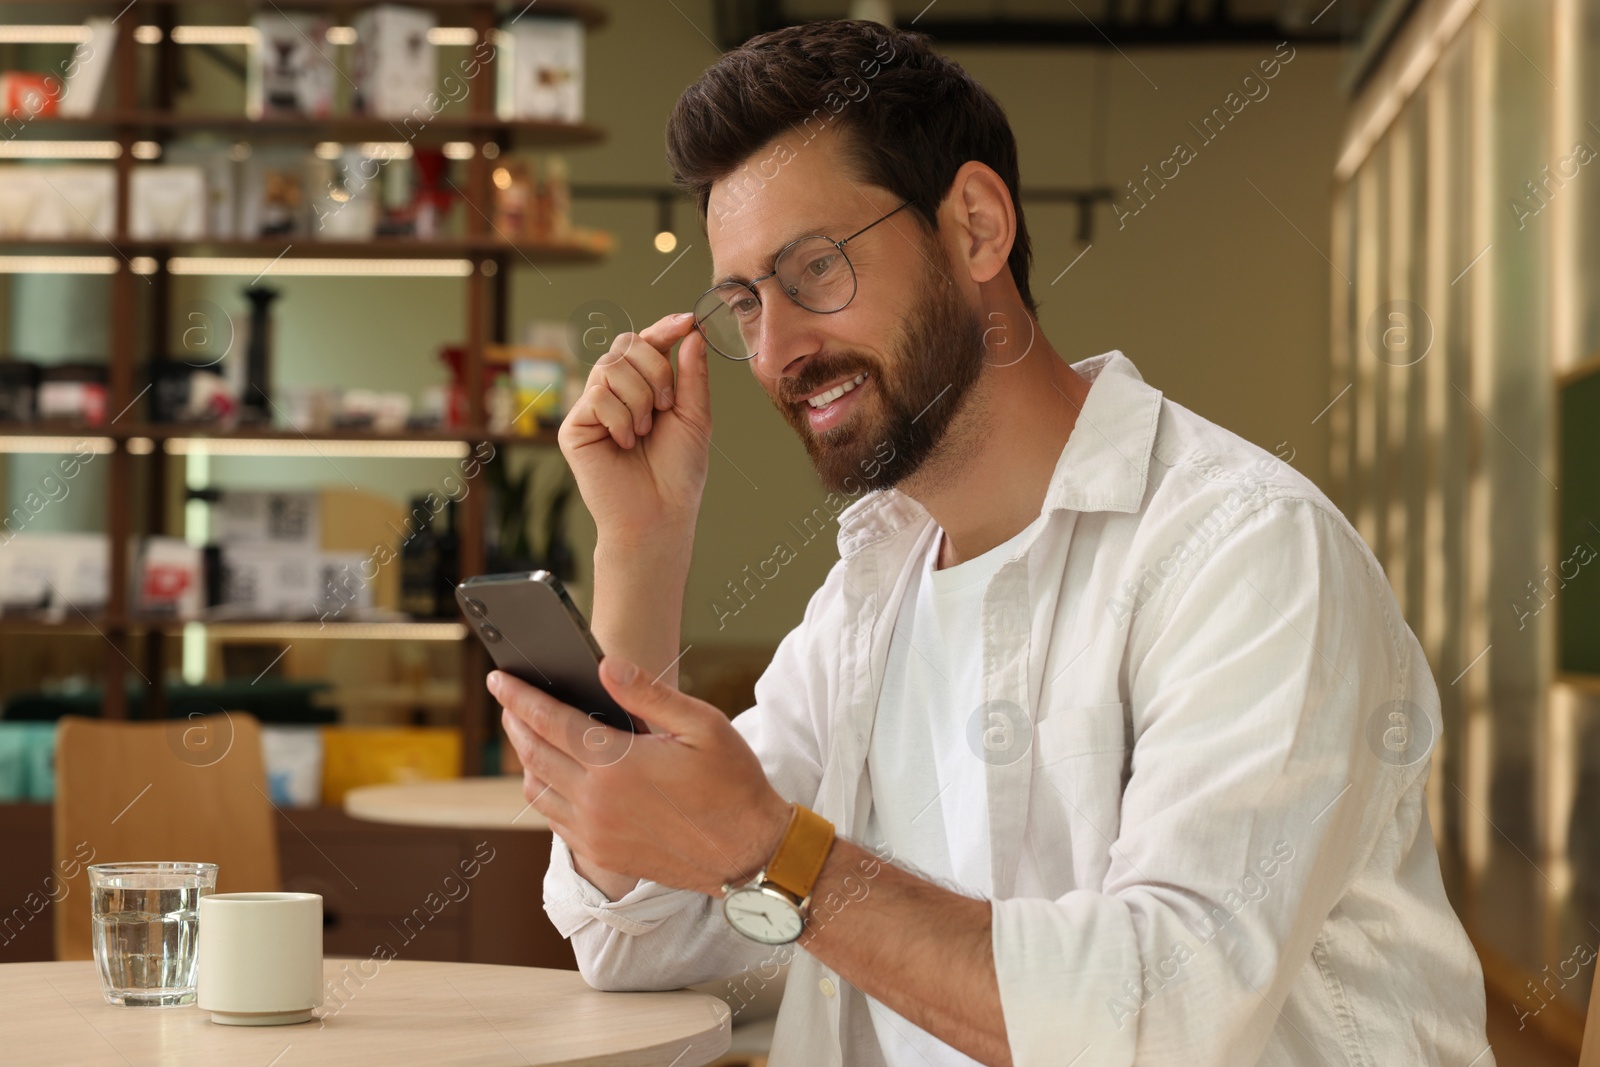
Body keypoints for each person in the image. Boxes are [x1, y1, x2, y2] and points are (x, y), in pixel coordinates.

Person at [491, 19, 1492, 1067]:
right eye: (747, 301)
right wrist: (642, 548)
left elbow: (1162, 1018)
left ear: (974, 226)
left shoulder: (1244, 553)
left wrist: (772, 853)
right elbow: (644, 942)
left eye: (816, 269)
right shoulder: (870, 593)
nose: (779, 347)